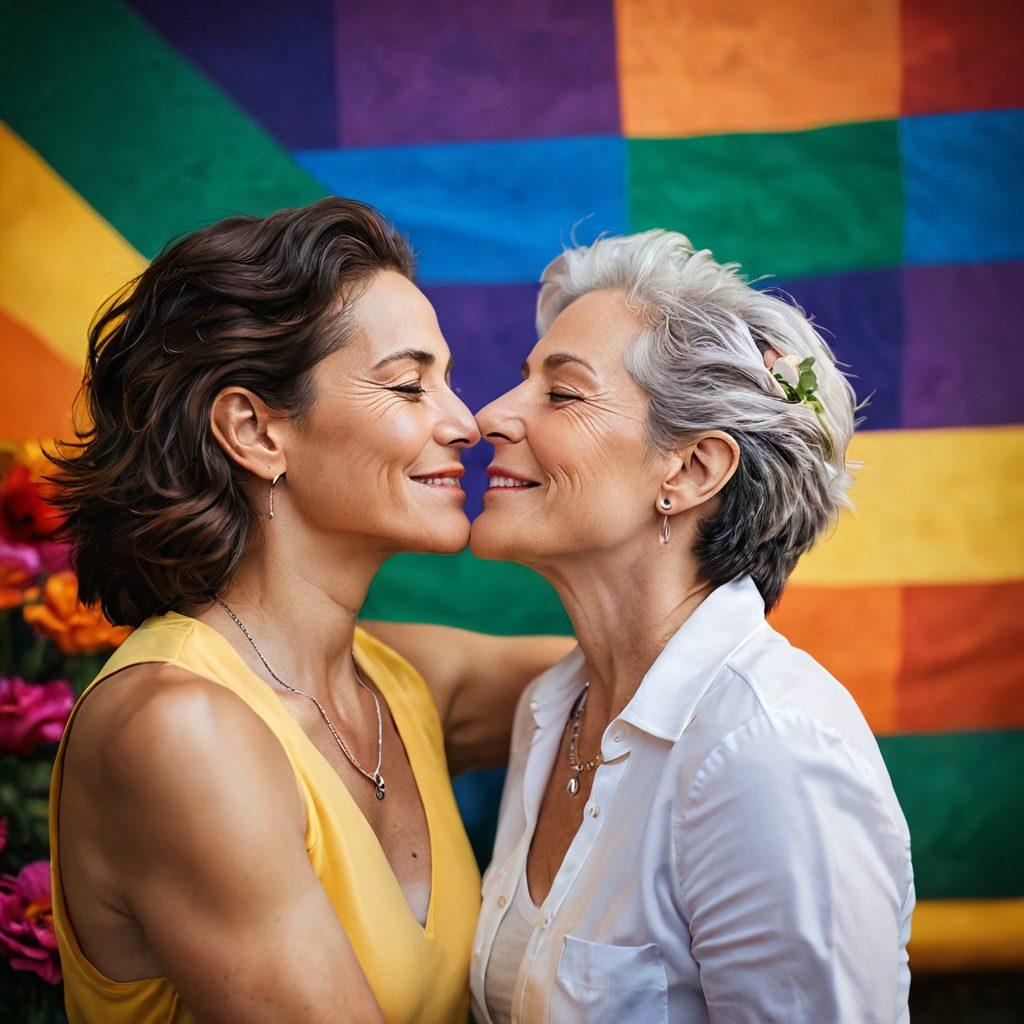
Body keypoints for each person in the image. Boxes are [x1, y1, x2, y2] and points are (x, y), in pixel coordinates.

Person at [45, 197, 572, 1024]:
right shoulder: (178, 729)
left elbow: (655, 663)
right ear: (255, 431)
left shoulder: (401, 682)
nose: (466, 423)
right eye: (408, 384)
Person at [467, 230, 915, 1023]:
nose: (491, 415)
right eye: (521, 381)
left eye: (562, 393)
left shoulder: (769, 750)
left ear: (691, 469)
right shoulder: (550, 711)